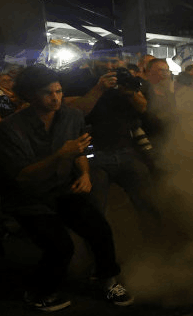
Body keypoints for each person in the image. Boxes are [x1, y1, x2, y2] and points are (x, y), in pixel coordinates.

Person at [0, 65, 133, 311]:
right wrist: (60, 155)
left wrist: (85, 174)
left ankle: (108, 281)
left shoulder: (71, 116)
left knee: (99, 228)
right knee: (60, 246)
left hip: (61, 189)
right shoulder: (11, 128)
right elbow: (23, 176)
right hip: (28, 197)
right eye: (48, 93)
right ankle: (39, 292)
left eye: (58, 91)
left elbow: (80, 150)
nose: (55, 98)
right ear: (30, 95)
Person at [61, 40, 158, 219]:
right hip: (91, 155)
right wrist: (99, 88)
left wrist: (129, 92)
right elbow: (74, 112)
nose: (108, 66)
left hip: (125, 150)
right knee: (95, 211)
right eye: (103, 60)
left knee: (149, 201)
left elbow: (143, 108)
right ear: (92, 60)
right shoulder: (75, 78)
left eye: (113, 61)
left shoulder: (123, 77)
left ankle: (155, 240)